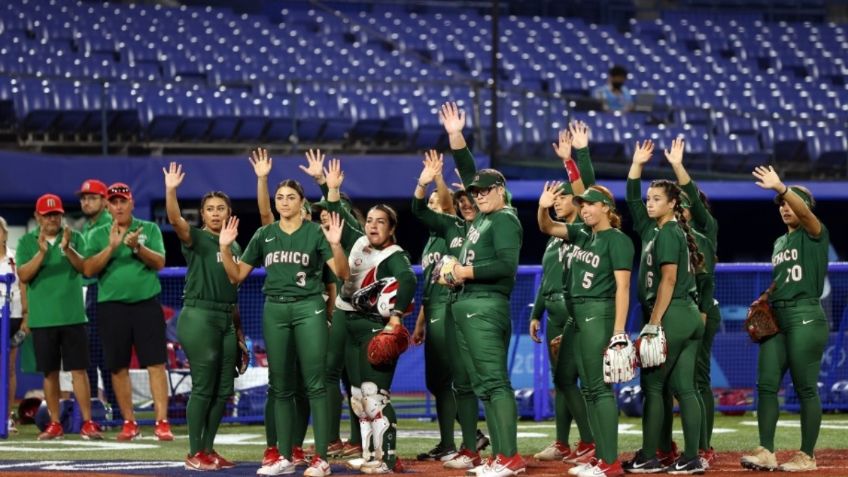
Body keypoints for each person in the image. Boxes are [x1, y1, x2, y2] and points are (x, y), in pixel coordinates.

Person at [217, 175, 349, 477]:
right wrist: (225, 249)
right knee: (279, 385)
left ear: (301, 202)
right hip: (274, 308)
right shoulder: (264, 234)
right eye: (280, 197)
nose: (285, 202)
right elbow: (236, 275)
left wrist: (335, 244)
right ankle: (284, 454)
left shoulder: (316, 232)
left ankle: (321, 458)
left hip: (308, 307)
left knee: (315, 384)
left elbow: (341, 272)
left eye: (291, 197)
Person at [440, 101, 525, 477]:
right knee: (482, 384)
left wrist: (463, 270)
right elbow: (470, 171)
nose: (478, 195)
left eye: (486, 190)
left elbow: (506, 265)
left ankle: (510, 457)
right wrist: (455, 137)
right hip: (468, 304)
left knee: (494, 382)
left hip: (485, 305)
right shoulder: (484, 218)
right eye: (475, 191)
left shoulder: (504, 218)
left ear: (501, 191)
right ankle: (498, 454)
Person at [324, 158, 417, 475]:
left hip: (373, 328)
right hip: (347, 322)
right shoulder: (358, 240)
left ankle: (388, 459)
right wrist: (331, 188)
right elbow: (336, 214)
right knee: (357, 398)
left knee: (375, 397)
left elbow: (409, 281)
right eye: (370, 220)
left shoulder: (395, 256)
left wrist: (395, 318)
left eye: (381, 222)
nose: (373, 225)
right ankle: (369, 456)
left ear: (391, 229)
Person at [539, 183, 634, 477]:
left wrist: (619, 331)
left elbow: (623, 287)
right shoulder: (582, 235)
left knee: (598, 388)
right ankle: (598, 454)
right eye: (583, 205)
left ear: (606, 207)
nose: (585, 209)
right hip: (575, 315)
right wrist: (543, 206)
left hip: (598, 313)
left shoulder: (617, 240)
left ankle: (609, 461)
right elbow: (547, 227)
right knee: (571, 380)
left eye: (591, 204)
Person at [740, 167, 830, 473]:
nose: (785, 208)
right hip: (779, 316)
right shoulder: (779, 243)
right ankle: (766, 451)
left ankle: (807, 455)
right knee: (765, 384)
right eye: (782, 205)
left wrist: (780, 187)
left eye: (791, 203)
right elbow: (782, 279)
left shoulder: (815, 233)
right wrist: (766, 296)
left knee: (805, 388)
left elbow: (805, 213)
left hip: (806, 314)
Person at [624, 140, 705, 474]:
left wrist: (654, 323)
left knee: (654, 387)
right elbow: (631, 199)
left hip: (671, 314)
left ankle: (649, 455)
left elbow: (668, 281)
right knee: (685, 388)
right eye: (649, 198)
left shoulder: (669, 232)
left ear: (674, 204)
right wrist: (637, 166)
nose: (649, 202)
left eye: (657, 198)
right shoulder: (654, 230)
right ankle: (692, 457)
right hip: (687, 316)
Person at [409, 151, 491, 471]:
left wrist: (439, 180)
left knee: (450, 379)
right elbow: (431, 283)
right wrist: (419, 322)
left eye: (436, 204)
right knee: (436, 381)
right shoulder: (431, 242)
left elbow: (445, 203)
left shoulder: (450, 233)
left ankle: (458, 440)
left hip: (451, 306)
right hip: (433, 309)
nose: (435, 207)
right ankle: (459, 438)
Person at [163, 162, 241, 471]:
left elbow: (233, 288)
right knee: (204, 387)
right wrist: (171, 189)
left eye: (221, 208)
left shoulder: (234, 243)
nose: (216, 213)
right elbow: (174, 218)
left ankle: (208, 449)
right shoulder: (195, 237)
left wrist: (239, 333)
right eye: (210, 209)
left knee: (224, 390)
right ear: (203, 214)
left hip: (225, 320)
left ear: (229, 212)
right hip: (199, 316)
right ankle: (194, 452)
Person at [82, 183, 172, 441]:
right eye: (114, 202)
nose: (119, 206)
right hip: (112, 307)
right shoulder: (98, 234)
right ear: (108, 206)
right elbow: (88, 270)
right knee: (117, 366)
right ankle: (129, 422)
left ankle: (161, 422)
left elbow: (160, 263)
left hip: (146, 303)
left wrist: (137, 247)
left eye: (123, 201)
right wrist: (111, 247)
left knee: (156, 363)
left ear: (132, 203)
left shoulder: (150, 228)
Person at [531, 124, 596, 465]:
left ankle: (589, 440)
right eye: (553, 198)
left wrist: (575, 158)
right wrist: (534, 313)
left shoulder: (583, 230)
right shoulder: (554, 237)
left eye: (563, 197)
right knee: (562, 381)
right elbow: (545, 281)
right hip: (553, 312)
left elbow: (587, 188)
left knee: (579, 380)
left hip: (577, 312)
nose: (557, 202)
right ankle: (561, 442)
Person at [16, 194, 102, 441]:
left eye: (56, 214)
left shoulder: (75, 238)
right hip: (43, 319)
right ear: (37, 216)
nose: (52, 218)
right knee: (50, 373)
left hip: (73, 315)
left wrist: (67, 248)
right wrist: (42, 254)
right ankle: (54, 423)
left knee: (79, 371)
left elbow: (85, 268)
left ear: (61, 215)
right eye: (47, 214)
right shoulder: (26, 242)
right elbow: (23, 275)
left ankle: (87, 422)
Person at [665, 138, 721, 466]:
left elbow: (704, 282)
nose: (680, 207)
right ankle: (669, 446)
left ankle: (703, 446)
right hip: (676, 312)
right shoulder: (666, 233)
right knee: (673, 382)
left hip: (700, 312)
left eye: (684, 203)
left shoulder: (704, 230)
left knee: (698, 381)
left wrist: (677, 167)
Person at [77, 179, 112, 406]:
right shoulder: (87, 227)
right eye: (84, 198)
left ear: (104, 201)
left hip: (107, 294)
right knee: (89, 354)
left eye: (92, 197)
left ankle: (119, 413)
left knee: (108, 357)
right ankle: (93, 409)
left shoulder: (110, 224)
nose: (86, 202)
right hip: (88, 293)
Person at [0, 217, 25, 434]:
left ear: (5, 234)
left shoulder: (15, 258)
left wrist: (26, 320)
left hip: (12, 318)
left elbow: (24, 289)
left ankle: (6, 416)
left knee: (8, 369)